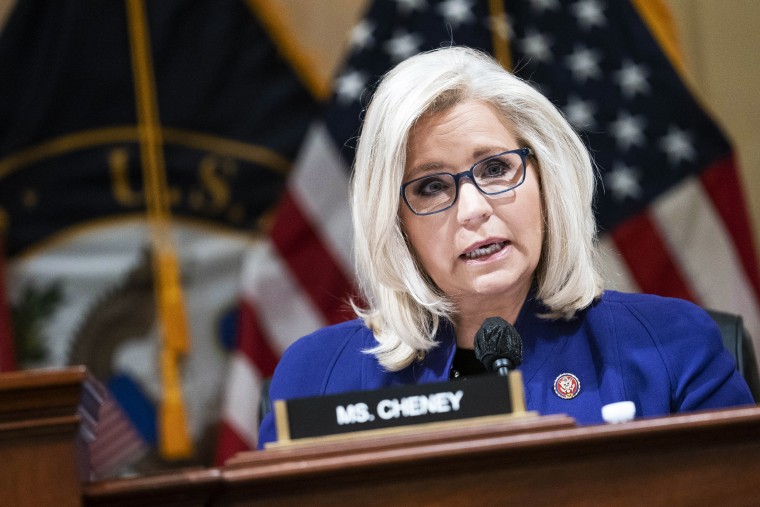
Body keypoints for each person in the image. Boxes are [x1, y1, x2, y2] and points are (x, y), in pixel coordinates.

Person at [257, 46, 754, 447]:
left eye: (495, 169)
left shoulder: (671, 347)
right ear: (396, 223)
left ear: (544, 178)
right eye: (431, 186)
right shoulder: (316, 377)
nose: (472, 208)